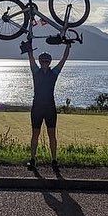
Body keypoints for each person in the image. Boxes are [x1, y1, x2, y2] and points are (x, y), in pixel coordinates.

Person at [22, 31, 71, 169]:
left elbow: (64, 59)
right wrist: (30, 41)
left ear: (49, 62)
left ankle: (54, 160)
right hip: (37, 107)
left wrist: (68, 46)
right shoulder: (35, 72)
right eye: (42, 61)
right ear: (40, 62)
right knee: (35, 135)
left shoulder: (54, 73)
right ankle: (32, 160)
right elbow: (30, 56)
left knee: (52, 135)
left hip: (49, 108)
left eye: (46, 61)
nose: (44, 62)